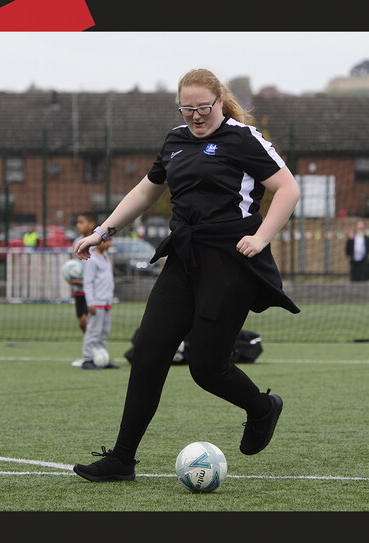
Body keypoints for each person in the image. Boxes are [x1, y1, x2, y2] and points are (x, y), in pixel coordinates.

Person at [70, 68, 300, 482]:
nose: (195, 116)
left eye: (203, 108)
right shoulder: (175, 140)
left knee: (206, 367)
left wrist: (262, 237)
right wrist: (101, 232)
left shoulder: (244, 139)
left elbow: (288, 189)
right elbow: (146, 190)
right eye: (187, 108)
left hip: (230, 263)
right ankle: (122, 459)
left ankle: (262, 408)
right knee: (148, 352)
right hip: (183, 258)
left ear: (219, 102)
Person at [72, 232, 120, 370]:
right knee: (93, 331)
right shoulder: (92, 259)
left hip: (106, 302)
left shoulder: (106, 257)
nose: (110, 243)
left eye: (111, 240)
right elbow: (88, 282)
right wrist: (91, 303)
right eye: (108, 240)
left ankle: (102, 358)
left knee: (104, 332)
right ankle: (87, 359)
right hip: (96, 302)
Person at [68, 212, 97, 335]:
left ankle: (93, 344)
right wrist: (71, 276)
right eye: (77, 223)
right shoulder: (76, 242)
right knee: (81, 322)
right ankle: (90, 341)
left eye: (81, 222)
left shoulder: (97, 242)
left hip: (92, 289)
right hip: (79, 288)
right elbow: (74, 266)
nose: (78, 225)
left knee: (89, 319)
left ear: (91, 224)